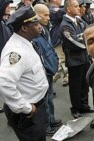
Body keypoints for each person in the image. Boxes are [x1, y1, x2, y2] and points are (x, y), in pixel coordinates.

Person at [0, 5, 48, 141]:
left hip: (37, 105)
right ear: (24, 28)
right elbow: (3, 85)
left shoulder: (26, 42)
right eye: (35, 23)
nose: (39, 25)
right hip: (28, 113)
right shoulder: (16, 51)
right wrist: (26, 108)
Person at [59, 0, 92, 119]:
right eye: (76, 6)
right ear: (68, 9)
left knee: (85, 83)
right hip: (74, 60)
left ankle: (84, 105)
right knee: (75, 86)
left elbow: (89, 32)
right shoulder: (65, 25)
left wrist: (84, 37)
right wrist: (87, 42)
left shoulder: (79, 20)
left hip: (84, 58)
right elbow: (74, 43)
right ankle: (75, 108)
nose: (80, 8)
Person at [33, 4, 62, 136]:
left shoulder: (44, 29)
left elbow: (49, 48)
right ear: (36, 15)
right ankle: (45, 126)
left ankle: (50, 119)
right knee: (43, 101)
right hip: (42, 72)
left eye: (48, 14)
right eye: (45, 15)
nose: (48, 18)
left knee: (49, 98)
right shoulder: (34, 34)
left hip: (49, 70)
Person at [49, 0, 69, 87]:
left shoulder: (55, 9)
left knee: (63, 59)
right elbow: (62, 12)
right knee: (62, 60)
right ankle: (51, 78)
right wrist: (69, 6)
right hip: (56, 38)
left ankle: (65, 78)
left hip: (59, 38)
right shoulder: (52, 10)